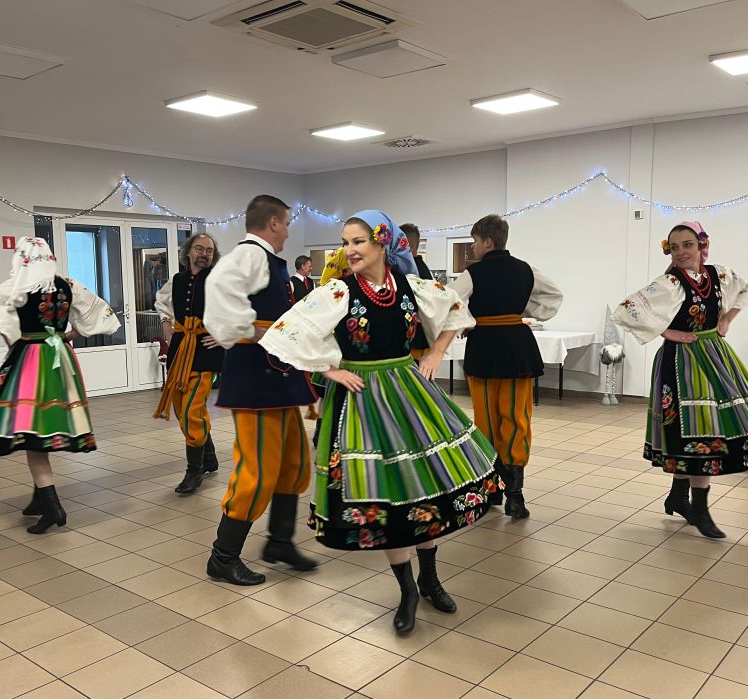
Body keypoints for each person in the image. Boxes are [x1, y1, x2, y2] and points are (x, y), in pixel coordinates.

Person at [260, 210, 499, 634]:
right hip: (364, 401)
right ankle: (407, 591)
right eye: (345, 242)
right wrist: (330, 370)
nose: (349, 250)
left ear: (382, 244)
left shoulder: (410, 286)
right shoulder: (338, 291)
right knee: (391, 495)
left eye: (358, 241)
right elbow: (285, 331)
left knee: (423, 487)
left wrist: (436, 351)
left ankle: (429, 579)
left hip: (409, 393)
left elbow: (456, 309)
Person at [612, 221, 748, 539]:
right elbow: (627, 310)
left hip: (714, 355)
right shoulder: (670, 282)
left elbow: (745, 289)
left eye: (687, 245)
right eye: (674, 247)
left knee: (709, 426)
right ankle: (698, 507)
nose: (681, 252)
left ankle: (679, 497)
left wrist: (727, 318)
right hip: (681, 361)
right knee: (697, 429)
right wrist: (668, 332)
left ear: (701, 245)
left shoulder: (718, 275)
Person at [0, 236, 120, 534]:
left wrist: (15, 341)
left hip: (29, 361)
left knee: (32, 432)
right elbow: (101, 315)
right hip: (59, 358)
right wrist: (70, 334)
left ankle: (52, 508)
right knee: (42, 427)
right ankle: (39, 499)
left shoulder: (17, 286)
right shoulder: (67, 284)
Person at [203, 195, 318, 585]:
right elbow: (221, 296)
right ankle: (223, 556)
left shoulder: (268, 260)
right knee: (258, 468)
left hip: (277, 376)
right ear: (273, 222)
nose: (287, 231)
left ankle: (279, 542)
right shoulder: (249, 256)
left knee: (293, 462)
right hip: (255, 377)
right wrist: (258, 331)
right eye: (286, 223)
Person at [451, 214, 563, 519]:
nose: (473, 248)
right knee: (516, 418)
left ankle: (492, 490)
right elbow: (554, 296)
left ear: (487, 242)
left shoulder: (472, 273)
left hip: (483, 348)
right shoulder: (526, 269)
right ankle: (516, 495)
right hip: (517, 348)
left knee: (485, 419)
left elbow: (449, 303)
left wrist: (468, 322)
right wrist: (520, 310)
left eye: (474, 241)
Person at [152, 233, 224, 494]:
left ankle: (194, 471)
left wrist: (224, 335)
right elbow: (162, 301)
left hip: (205, 352)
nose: (204, 254)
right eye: (199, 249)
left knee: (193, 410)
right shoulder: (178, 280)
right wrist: (166, 324)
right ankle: (209, 456)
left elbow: (239, 308)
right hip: (180, 350)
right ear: (189, 252)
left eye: (209, 250)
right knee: (181, 408)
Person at [399, 223, 433, 360]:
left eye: (397, 245)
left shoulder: (416, 271)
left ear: (410, 247)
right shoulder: (413, 267)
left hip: (416, 339)